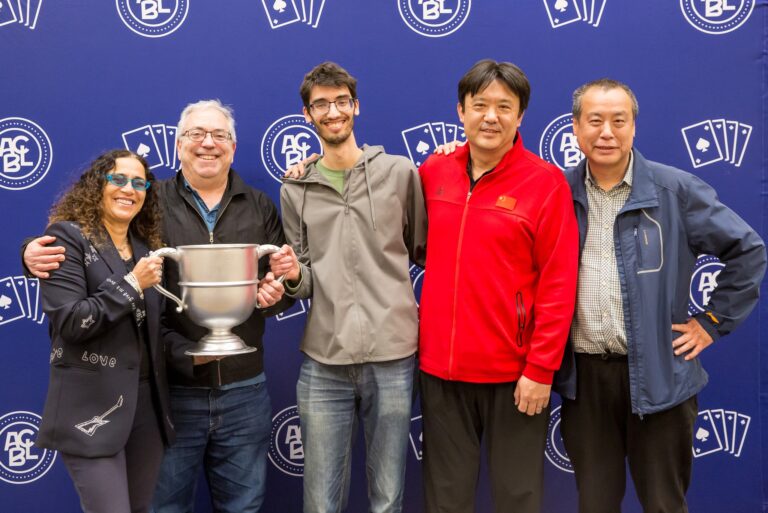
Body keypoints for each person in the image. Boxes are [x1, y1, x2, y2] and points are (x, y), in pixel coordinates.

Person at [24, 100, 291, 513]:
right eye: (196, 135)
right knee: (163, 507)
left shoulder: (260, 205)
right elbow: (93, 243)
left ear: (233, 148)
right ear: (178, 145)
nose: (208, 144)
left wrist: (280, 291)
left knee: (243, 506)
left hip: (244, 389)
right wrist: (28, 255)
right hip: (171, 394)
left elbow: (278, 287)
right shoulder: (151, 203)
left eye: (219, 135)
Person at [556, 79, 767, 513]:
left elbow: (748, 251)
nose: (607, 132)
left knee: (664, 505)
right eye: (594, 121)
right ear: (576, 129)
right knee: (594, 505)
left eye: (619, 120)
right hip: (586, 383)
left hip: (661, 379)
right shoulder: (556, 194)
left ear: (634, 127)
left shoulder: (674, 190)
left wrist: (712, 322)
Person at [416, 59, 578, 513]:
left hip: (516, 376)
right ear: (460, 111)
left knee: (517, 497)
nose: (491, 116)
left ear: (521, 116)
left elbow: (559, 283)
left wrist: (540, 369)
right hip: (441, 373)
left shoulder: (545, 183)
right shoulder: (434, 171)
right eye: (480, 105)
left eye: (504, 106)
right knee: (445, 498)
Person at [269, 61, 427, 513]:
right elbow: (302, 276)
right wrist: (293, 275)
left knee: (388, 498)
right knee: (320, 503)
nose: (332, 111)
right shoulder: (295, 186)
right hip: (324, 359)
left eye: (341, 101)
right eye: (321, 104)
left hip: (394, 356)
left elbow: (422, 247)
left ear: (356, 107)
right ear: (307, 115)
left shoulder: (399, 173)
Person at [36, 149, 173, 513]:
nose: (129, 188)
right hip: (90, 409)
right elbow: (71, 321)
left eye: (139, 183)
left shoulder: (145, 248)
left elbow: (155, 332)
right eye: (118, 179)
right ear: (98, 184)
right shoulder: (66, 238)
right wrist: (131, 284)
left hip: (146, 409)